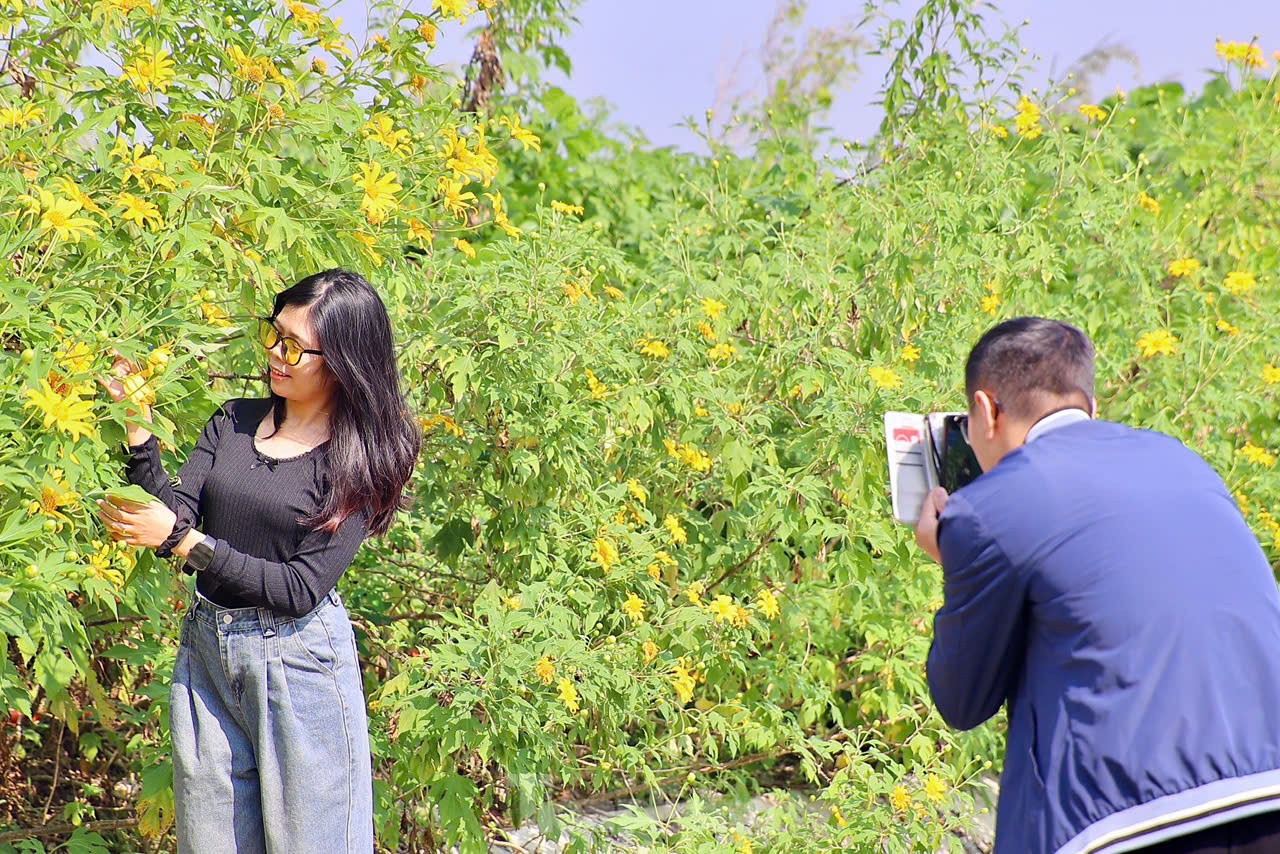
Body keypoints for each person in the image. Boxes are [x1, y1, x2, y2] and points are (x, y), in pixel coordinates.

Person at [914, 317, 1280, 854]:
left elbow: (962, 701)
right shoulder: (1182, 461)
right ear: (1091, 403)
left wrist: (951, 555)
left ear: (986, 411)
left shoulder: (985, 511)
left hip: (1126, 820)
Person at [96, 269, 420, 853]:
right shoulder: (234, 419)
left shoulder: (360, 461)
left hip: (300, 663)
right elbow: (178, 513)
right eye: (274, 335)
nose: (276, 353)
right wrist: (139, 433)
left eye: (295, 346)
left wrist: (184, 544)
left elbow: (300, 588)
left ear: (344, 360)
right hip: (208, 650)